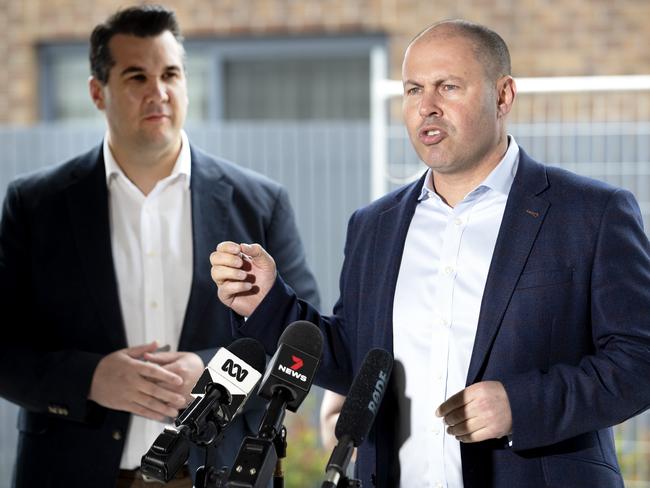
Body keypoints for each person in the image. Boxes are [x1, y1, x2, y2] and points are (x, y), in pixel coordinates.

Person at [210, 19, 650, 488]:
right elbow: (359, 363)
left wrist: (521, 405)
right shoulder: (373, 226)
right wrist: (266, 302)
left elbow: (639, 359)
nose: (427, 107)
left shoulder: (590, 213)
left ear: (503, 96)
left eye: (448, 87)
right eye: (414, 89)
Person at [0, 5, 319, 488]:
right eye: (136, 77)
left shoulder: (260, 202)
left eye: (170, 74)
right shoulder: (34, 205)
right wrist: (90, 379)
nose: (159, 92)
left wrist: (219, 376)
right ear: (96, 92)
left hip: (219, 472)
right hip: (72, 471)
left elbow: (302, 340)